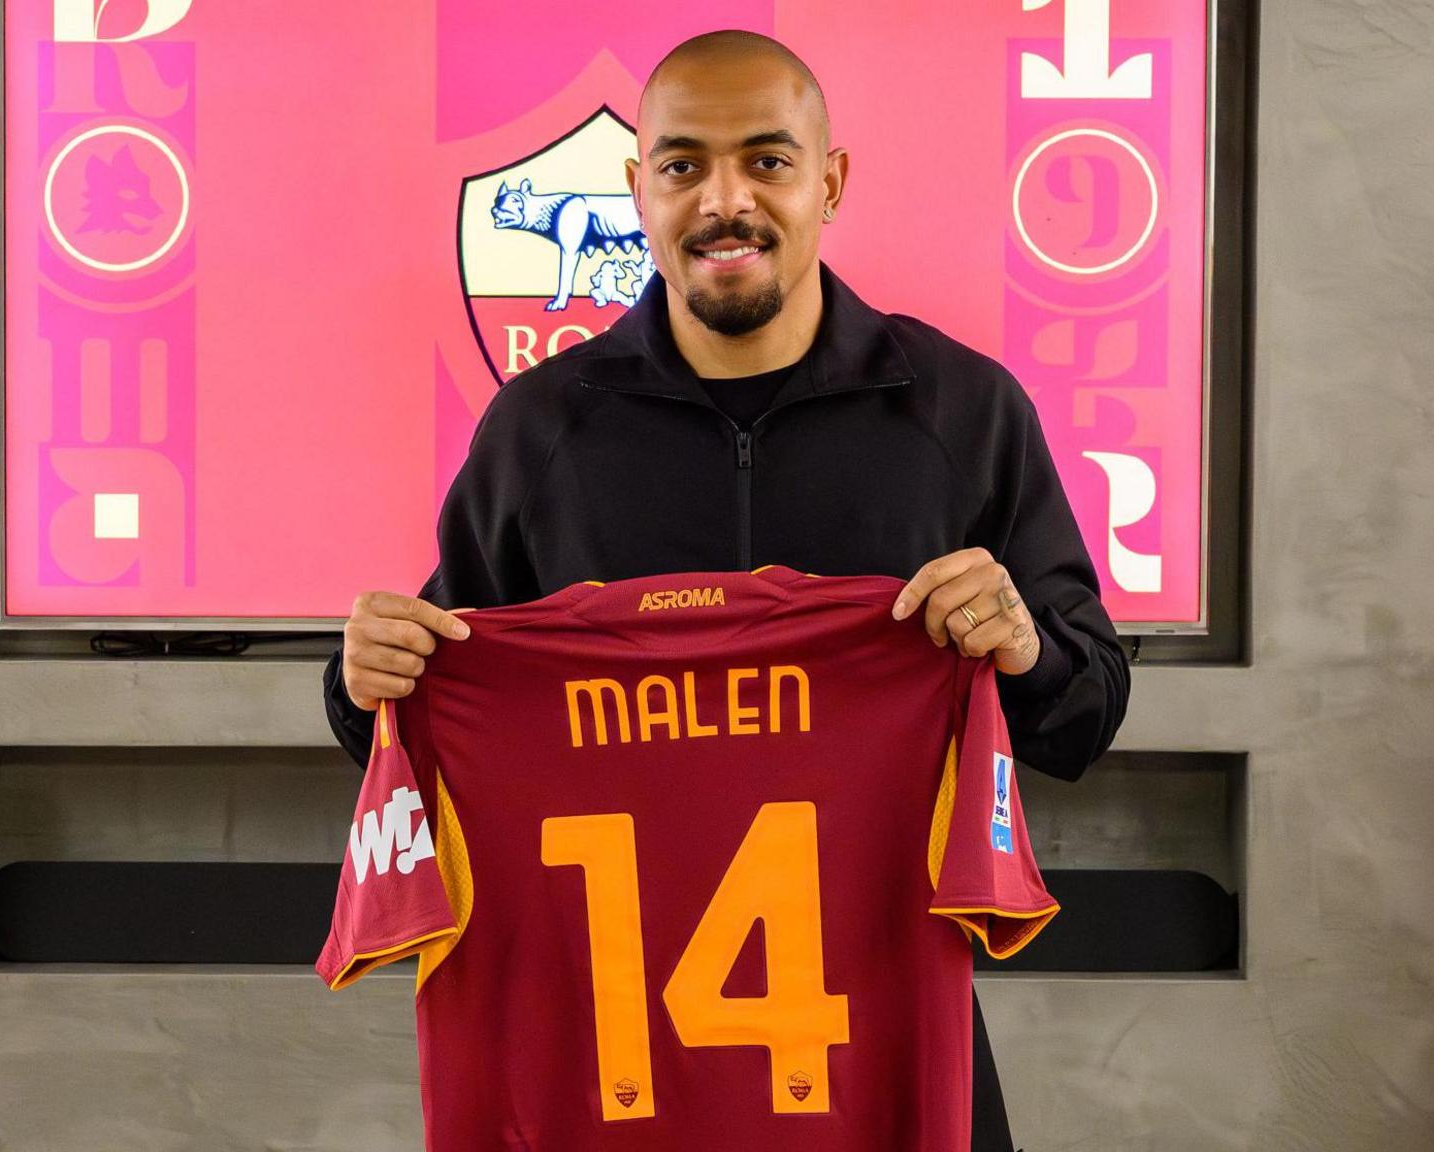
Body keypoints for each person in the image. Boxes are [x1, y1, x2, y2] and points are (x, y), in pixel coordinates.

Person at [321, 28, 1131, 1152]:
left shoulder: (962, 411)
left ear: (830, 181)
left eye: (766, 160)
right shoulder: (540, 431)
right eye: (683, 164)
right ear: (635, 187)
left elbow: (1086, 711)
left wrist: (1020, 649)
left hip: (882, 1051)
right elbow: (429, 710)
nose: (724, 200)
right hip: (607, 1067)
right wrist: (358, 679)